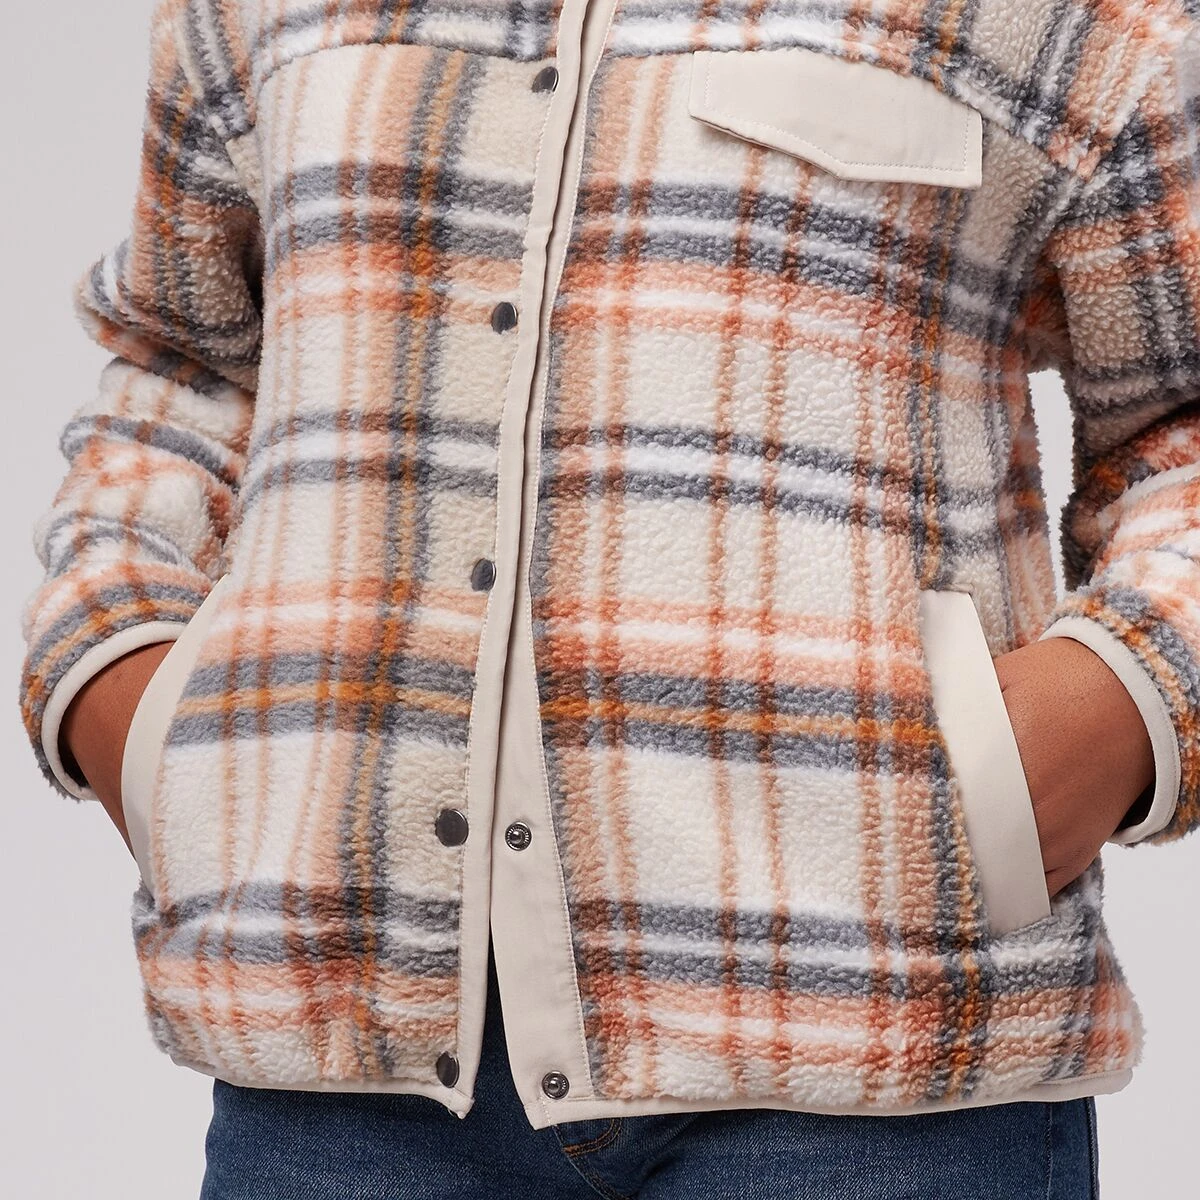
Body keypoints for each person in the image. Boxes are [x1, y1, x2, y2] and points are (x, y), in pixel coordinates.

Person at [18, 0, 1200, 1196]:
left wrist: (1119, 702)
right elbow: (186, 367)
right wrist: (115, 667)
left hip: (878, 1040)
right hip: (340, 1054)